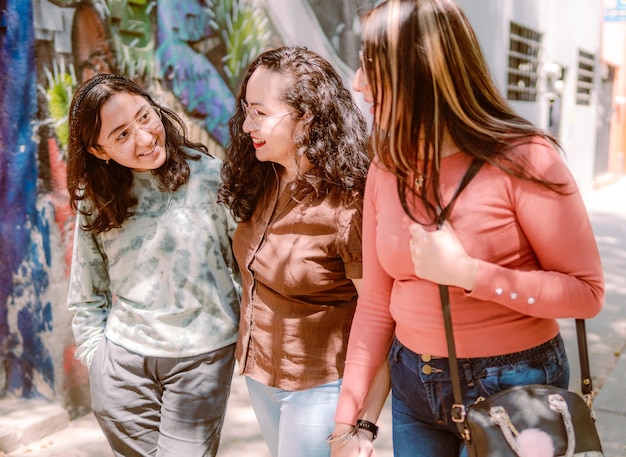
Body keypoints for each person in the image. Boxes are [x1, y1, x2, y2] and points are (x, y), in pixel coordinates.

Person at [331, 1, 605, 456]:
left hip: (514, 385)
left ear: (422, 68)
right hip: (414, 385)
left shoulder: (525, 158)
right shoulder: (386, 168)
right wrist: (351, 420)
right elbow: (377, 304)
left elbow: (587, 293)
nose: (358, 83)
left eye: (371, 66)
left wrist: (472, 274)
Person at [66, 73, 240, 457]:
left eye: (144, 117)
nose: (144, 139)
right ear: (99, 151)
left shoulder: (212, 177)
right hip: (123, 366)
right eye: (122, 135)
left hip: (202, 358)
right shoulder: (95, 199)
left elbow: (247, 266)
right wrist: (98, 360)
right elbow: (85, 292)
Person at [218, 46, 373, 457]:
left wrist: (364, 423)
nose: (248, 124)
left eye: (260, 112)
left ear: (306, 116)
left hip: (320, 388)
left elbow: (378, 318)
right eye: (246, 110)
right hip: (258, 374)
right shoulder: (262, 175)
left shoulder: (349, 205)